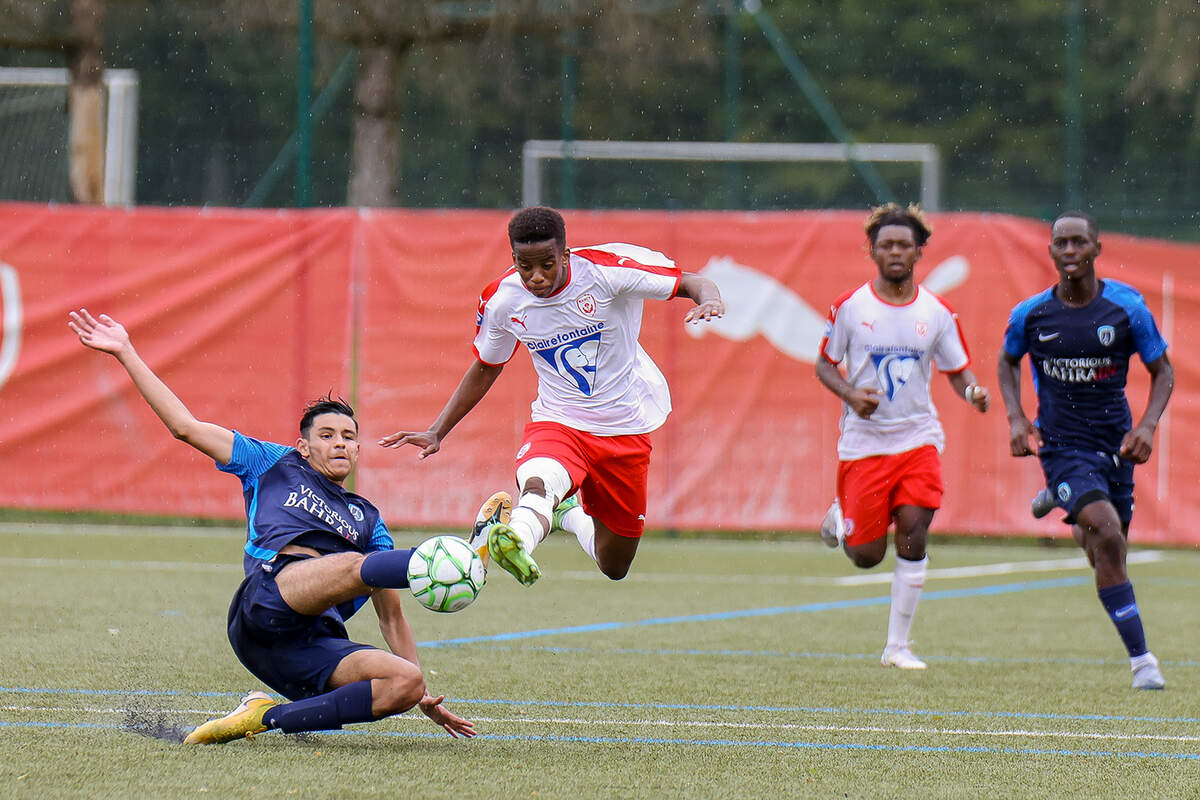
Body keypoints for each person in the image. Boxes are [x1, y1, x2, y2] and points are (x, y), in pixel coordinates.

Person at [68, 309, 476, 743]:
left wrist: (425, 696)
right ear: (302, 445)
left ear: (358, 449)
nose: (340, 441)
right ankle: (449, 559)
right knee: (359, 564)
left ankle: (264, 717)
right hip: (266, 605)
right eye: (327, 434)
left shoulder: (368, 518)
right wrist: (125, 351)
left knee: (404, 683)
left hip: (307, 650)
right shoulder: (272, 462)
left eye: (348, 436)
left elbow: (391, 618)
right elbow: (183, 427)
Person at [378, 206, 725, 586]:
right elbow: (487, 366)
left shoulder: (608, 273)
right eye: (526, 266)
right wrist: (438, 430)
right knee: (539, 483)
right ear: (513, 258)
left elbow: (692, 282)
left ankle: (570, 515)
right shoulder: (503, 301)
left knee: (615, 565)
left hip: (624, 427)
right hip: (558, 421)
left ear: (565, 254)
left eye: (547, 264)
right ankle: (513, 540)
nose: (537, 277)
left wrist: (709, 300)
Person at [997, 211, 1173, 690]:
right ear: (1050, 252)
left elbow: (1164, 371)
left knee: (1105, 550)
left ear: (1097, 248)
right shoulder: (1031, 314)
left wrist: (1148, 427)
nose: (1070, 251)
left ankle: (1067, 502)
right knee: (1107, 530)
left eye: (1079, 242)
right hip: (1061, 445)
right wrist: (1016, 417)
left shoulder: (1126, 308)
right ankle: (1143, 662)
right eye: (1061, 243)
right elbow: (1007, 360)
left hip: (1115, 446)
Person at [815, 203, 990, 670]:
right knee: (866, 556)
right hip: (865, 444)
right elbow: (823, 365)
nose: (895, 251)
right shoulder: (851, 307)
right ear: (872, 250)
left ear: (919, 251)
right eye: (886, 244)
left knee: (914, 530)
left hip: (918, 439)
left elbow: (957, 370)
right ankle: (841, 516)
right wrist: (851, 394)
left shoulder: (936, 312)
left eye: (904, 244)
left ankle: (897, 647)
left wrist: (973, 390)